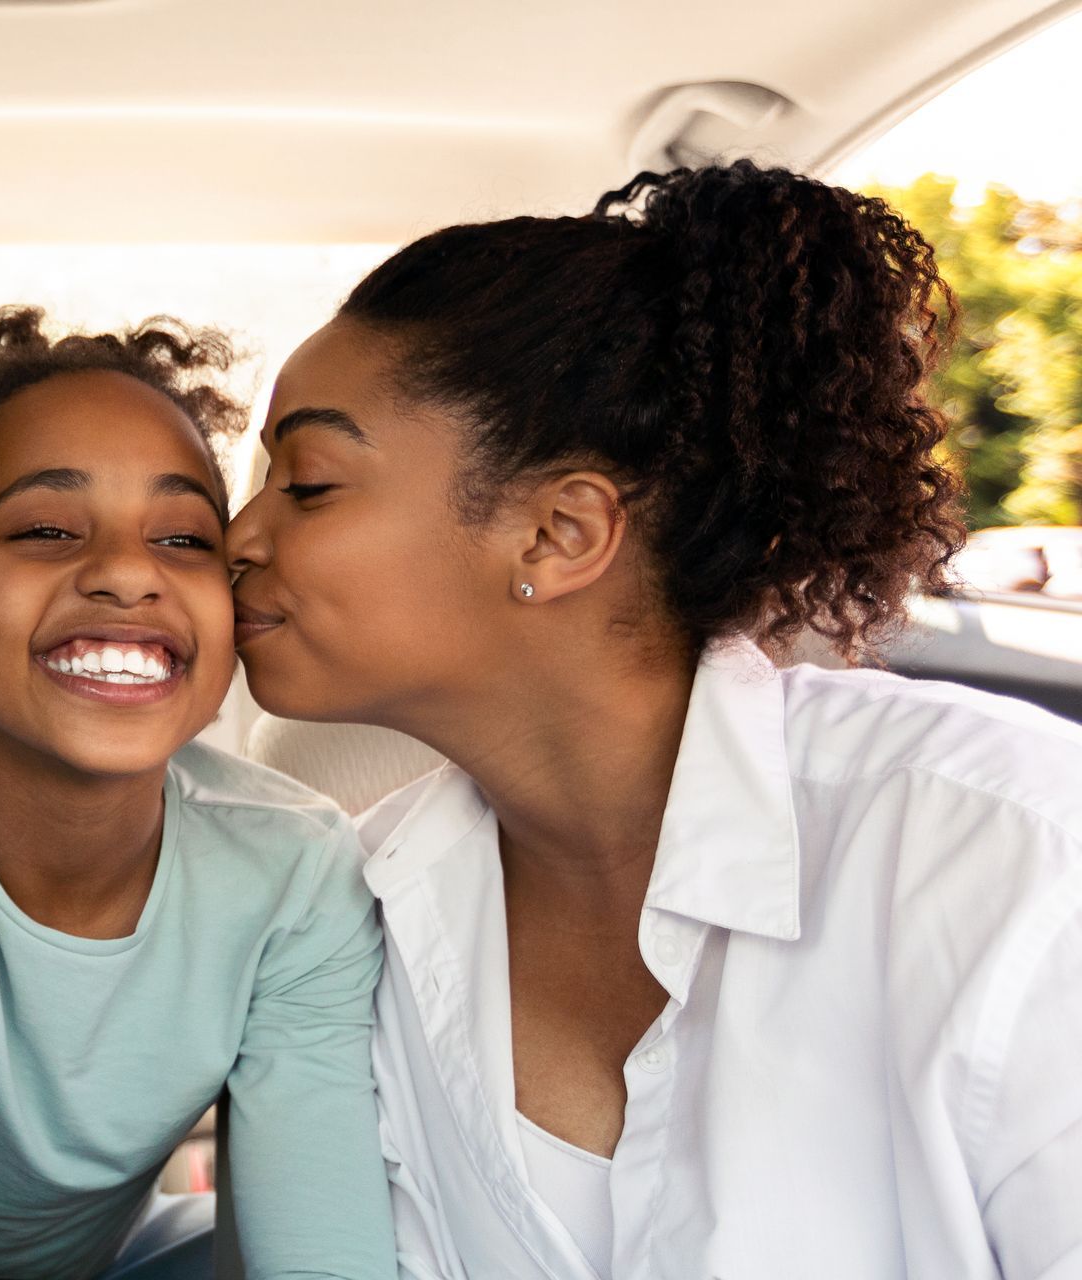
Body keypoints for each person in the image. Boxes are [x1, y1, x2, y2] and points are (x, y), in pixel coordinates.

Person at [227, 161, 1082, 1278]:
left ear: (559, 533)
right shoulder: (357, 920)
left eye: (308, 482)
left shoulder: (1007, 853)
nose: (237, 535)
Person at [0, 308, 397, 1280]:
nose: (123, 570)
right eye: (46, 528)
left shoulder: (296, 867)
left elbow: (319, 1244)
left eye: (185, 537)